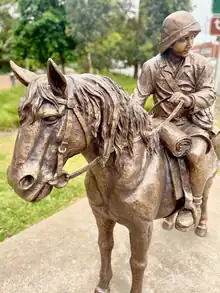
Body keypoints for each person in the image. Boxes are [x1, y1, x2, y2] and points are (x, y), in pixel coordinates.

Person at [132, 11, 216, 232]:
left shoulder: (201, 64)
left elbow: (209, 93)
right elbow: (138, 97)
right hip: (162, 124)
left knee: (195, 154)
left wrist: (190, 99)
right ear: (170, 41)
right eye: (183, 38)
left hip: (193, 122)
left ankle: (192, 204)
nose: (189, 43)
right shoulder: (152, 67)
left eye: (192, 37)